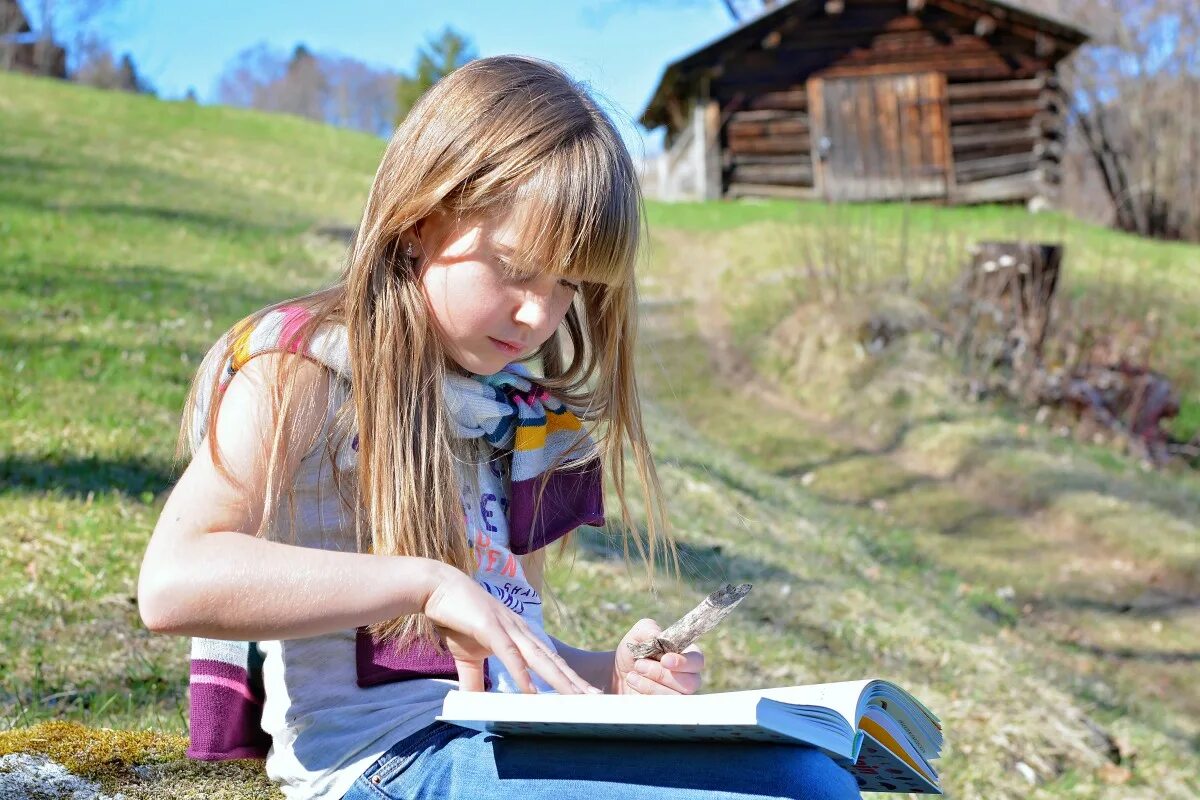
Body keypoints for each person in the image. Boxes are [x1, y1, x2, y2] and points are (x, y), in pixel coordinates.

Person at [136, 55, 861, 800]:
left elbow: (507, 654)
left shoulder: (515, 418)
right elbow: (173, 582)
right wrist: (423, 583)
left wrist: (610, 673)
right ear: (421, 220)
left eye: (567, 285)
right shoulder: (304, 373)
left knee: (808, 779)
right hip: (387, 760)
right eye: (515, 269)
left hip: (506, 738)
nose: (538, 315)